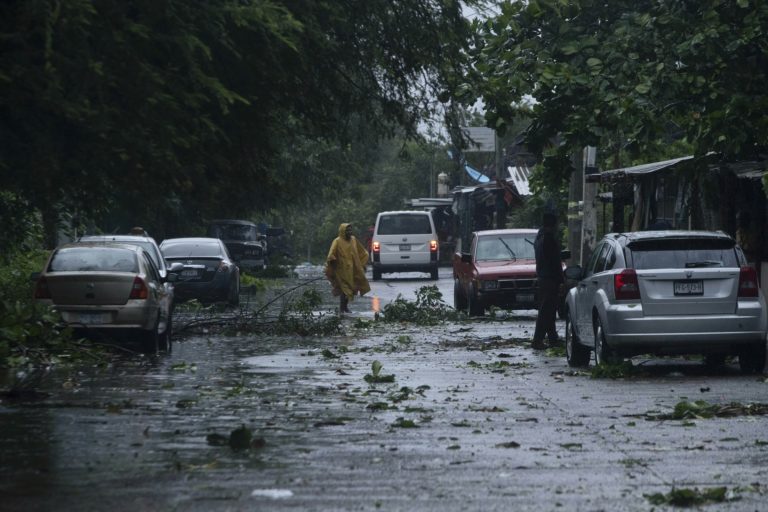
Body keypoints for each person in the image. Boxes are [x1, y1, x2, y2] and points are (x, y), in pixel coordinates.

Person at [532, 211, 564, 350]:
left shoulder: (539, 237)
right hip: (550, 278)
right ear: (553, 224)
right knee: (546, 311)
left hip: (543, 277)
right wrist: (561, 279)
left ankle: (552, 338)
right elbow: (554, 262)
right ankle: (537, 340)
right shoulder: (549, 239)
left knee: (549, 310)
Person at [325, 223, 371, 314]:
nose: (350, 232)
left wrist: (362, 264)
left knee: (351, 288)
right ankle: (342, 308)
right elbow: (331, 254)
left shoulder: (353, 239)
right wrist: (333, 261)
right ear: (342, 231)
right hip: (342, 270)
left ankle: (345, 307)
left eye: (350, 230)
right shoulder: (337, 241)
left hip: (352, 270)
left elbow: (362, 252)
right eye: (347, 230)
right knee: (344, 289)